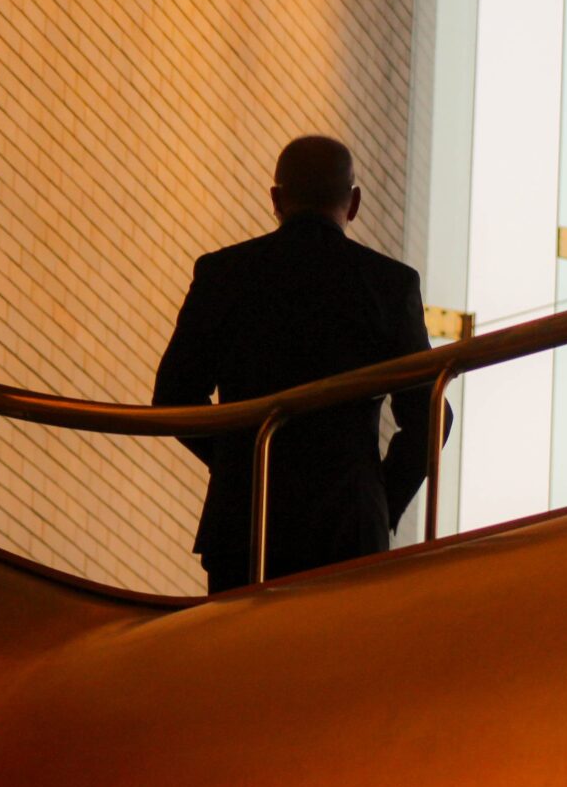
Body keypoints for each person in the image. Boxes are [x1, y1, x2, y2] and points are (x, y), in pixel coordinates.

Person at [154, 135, 449, 594]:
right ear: (353, 204)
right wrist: (379, 499)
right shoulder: (389, 285)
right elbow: (431, 415)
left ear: (275, 198)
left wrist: (242, 459)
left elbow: (173, 396)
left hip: (247, 523)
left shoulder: (224, 274)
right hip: (348, 528)